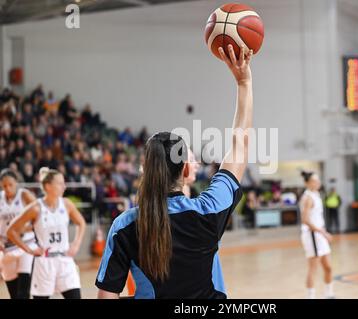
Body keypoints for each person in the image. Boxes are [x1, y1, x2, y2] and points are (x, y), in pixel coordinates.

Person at [95, 45, 253, 299]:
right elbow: (240, 147)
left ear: (144, 171)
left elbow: (107, 296)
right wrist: (243, 82)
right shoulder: (208, 209)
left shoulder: (125, 225)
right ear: (187, 168)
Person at [7, 167, 86, 299]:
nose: (64, 186)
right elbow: (11, 231)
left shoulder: (66, 204)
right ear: (48, 186)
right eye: (60, 183)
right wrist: (29, 250)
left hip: (65, 261)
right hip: (44, 262)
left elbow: (81, 223)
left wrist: (76, 244)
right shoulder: (36, 208)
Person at [0, 169, 36, 299]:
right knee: (13, 293)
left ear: (16, 182)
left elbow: (40, 216)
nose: (8, 188)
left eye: (10, 184)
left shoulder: (24, 195)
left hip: (25, 245)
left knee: (23, 292)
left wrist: (25, 228)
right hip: (7, 247)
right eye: (4, 186)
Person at [299, 171, 334, 299]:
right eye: (314, 180)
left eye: (318, 180)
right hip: (312, 234)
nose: (318, 182)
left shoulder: (316, 194)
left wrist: (323, 233)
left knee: (328, 267)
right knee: (313, 268)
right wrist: (324, 233)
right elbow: (305, 220)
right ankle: (310, 296)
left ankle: (329, 294)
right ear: (307, 183)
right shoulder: (307, 198)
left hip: (320, 234)